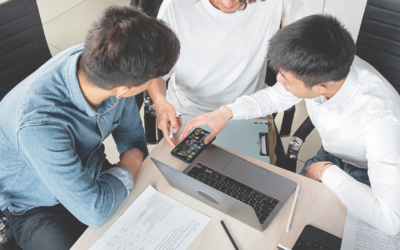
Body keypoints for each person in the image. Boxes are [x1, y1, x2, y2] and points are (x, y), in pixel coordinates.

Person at [180, 15, 400, 235]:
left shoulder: (381, 123)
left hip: (367, 172)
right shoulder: (325, 68)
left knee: (318, 227)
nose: (278, 80)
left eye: (286, 79)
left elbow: (391, 220)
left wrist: (326, 171)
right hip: (333, 152)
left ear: (321, 87)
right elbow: (275, 97)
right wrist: (225, 113)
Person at [0, 6, 180, 250]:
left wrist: (132, 162)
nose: (154, 84)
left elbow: (133, 142)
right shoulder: (39, 124)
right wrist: (129, 164)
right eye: (151, 81)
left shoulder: (110, 67)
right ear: (125, 89)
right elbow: (95, 210)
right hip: (36, 206)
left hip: (91, 174)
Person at [148, 0, 304, 165]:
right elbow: (155, 71)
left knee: (255, 183)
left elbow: (296, 72)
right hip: (186, 113)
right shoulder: (175, 5)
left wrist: (229, 112)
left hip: (249, 111)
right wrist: (159, 101)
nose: (229, 3)